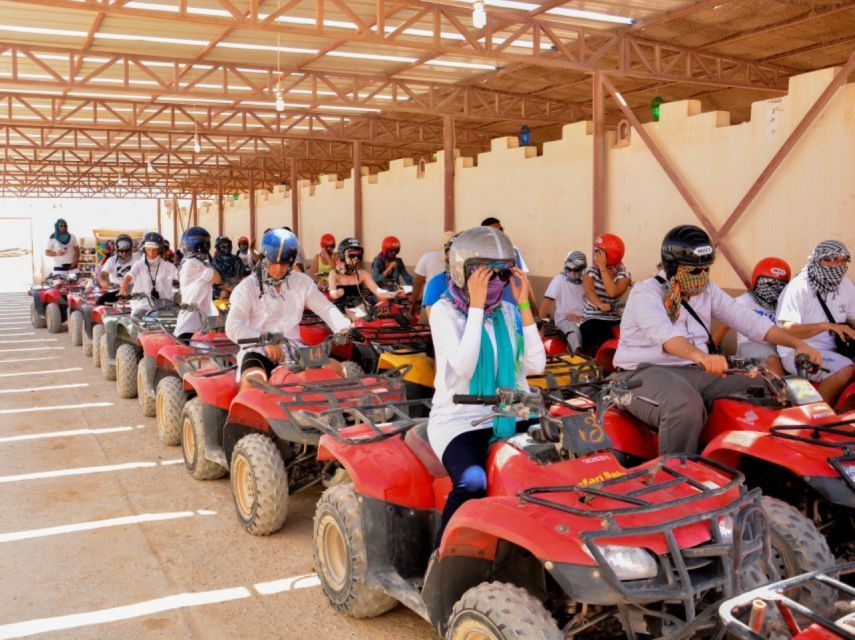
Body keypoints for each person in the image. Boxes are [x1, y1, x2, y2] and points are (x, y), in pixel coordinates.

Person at [612, 225, 821, 455]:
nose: (702, 276)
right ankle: (677, 476)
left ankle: (768, 460)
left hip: (695, 370)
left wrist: (799, 344)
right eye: (694, 271)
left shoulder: (707, 290)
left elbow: (749, 321)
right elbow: (667, 337)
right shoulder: (646, 293)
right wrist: (701, 356)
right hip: (642, 372)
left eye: (706, 269)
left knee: (770, 387)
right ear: (672, 267)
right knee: (684, 407)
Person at [428, 226, 546, 546]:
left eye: (501, 275)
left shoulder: (507, 311)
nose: (495, 283)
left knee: (562, 459)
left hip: (510, 408)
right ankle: (441, 554)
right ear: (462, 272)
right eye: (486, 275)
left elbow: (536, 365)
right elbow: (465, 365)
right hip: (460, 418)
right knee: (472, 482)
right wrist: (477, 307)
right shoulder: (444, 312)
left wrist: (523, 306)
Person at [225, 228, 351, 391]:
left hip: (295, 347)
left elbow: (325, 308)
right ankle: (238, 417)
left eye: (284, 263)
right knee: (254, 380)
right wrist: (266, 339)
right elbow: (233, 327)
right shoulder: (248, 287)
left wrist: (343, 327)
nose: (278, 269)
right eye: (273, 262)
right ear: (263, 258)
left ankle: (342, 415)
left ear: (291, 263)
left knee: (337, 370)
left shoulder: (302, 282)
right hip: (258, 349)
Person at [776, 240, 855, 404]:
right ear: (818, 260)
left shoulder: (846, 285)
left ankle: (843, 414)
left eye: (842, 260)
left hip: (835, 348)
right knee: (845, 369)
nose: (838, 266)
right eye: (832, 260)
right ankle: (816, 417)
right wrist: (825, 326)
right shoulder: (798, 287)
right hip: (798, 350)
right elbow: (787, 329)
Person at [711, 257, 791, 375]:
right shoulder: (743, 302)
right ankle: (785, 393)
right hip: (750, 345)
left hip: (777, 345)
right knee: (772, 360)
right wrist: (708, 354)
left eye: (780, 285)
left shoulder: (783, 305)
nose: (774, 289)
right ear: (757, 280)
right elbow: (724, 327)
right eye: (769, 283)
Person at [580, 233, 631, 355]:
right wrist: (599, 304)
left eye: (599, 252)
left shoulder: (624, 275)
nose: (595, 255)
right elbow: (589, 291)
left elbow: (613, 292)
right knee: (597, 336)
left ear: (610, 255)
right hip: (593, 317)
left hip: (615, 318)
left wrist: (603, 269)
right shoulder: (590, 271)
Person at [481, 217, 538, 314]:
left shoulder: (514, 252)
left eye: (501, 230)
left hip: (519, 309)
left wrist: (534, 311)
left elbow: (525, 282)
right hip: (497, 313)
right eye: (495, 231)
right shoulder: (481, 257)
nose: (500, 234)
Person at [174, 227, 222, 340]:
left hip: (199, 325)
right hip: (188, 327)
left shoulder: (195, 263)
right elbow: (217, 279)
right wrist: (208, 261)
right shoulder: (192, 264)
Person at [120, 232, 178, 317]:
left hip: (164, 307)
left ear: (160, 249)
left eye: (154, 250)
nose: (151, 253)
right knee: (136, 324)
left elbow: (181, 276)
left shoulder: (168, 266)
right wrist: (123, 287)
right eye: (148, 249)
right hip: (142, 306)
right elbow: (129, 276)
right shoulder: (138, 265)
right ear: (144, 249)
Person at [328, 238, 399, 307]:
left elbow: (378, 291)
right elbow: (332, 293)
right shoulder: (334, 273)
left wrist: (394, 294)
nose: (356, 258)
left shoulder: (363, 274)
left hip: (358, 307)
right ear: (342, 256)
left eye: (358, 255)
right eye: (352, 255)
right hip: (340, 310)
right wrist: (337, 293)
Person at [540, 250, 587, 353]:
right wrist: (540, 327)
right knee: (574, 333)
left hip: (584, 318)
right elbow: (545, 304)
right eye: (570, 269)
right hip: (564, 319)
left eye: (576, 270)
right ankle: (577, 358)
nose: (573, 273)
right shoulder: (559, 280)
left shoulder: (586, 282)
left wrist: (581, 318)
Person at [413, 231, 455, 304]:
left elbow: (418, 282)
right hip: (450, 303)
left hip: (430, 302)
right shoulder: (460, 260)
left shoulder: (427, 257)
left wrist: (412, 303)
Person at [98, 234, 141, 303]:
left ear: (131, 248)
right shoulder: (111, 260)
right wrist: (103, 280)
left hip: (135, 290)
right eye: (121, 251)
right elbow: (104, 273)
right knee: (100, 300)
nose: (124, 253)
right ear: (117, 250)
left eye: (127, 250)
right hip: (117, 291)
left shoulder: (138, 257)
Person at [211, 235, 245, 299]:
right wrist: (232, 289)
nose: (227, 248)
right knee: (225, 294)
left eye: (229, 246)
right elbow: (218, 282)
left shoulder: (237, 259)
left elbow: (243, 276)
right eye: (224, 247)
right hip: (221, 287)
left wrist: (241, 286)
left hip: (236, 285)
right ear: (218, 248)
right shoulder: (216, 261)